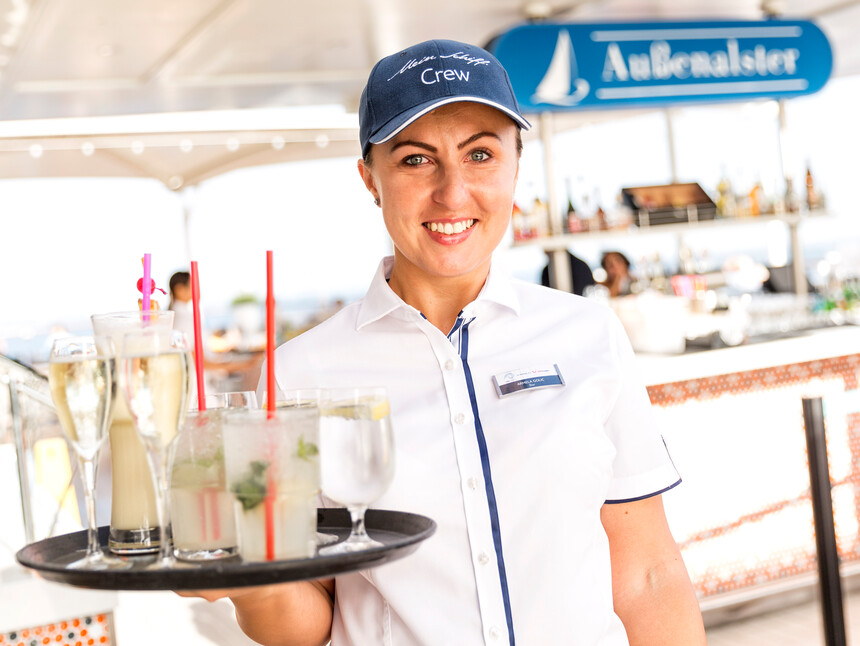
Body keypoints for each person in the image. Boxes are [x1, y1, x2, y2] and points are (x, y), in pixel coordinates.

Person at [180, 39, 705, 645]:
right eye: (415, 160)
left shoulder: (588, 334)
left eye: (480, 154)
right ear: (369, 179)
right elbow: (306, 624)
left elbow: (648, 575)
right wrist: (253, 577)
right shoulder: (299, 375)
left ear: (515, 164)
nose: (453, 194)